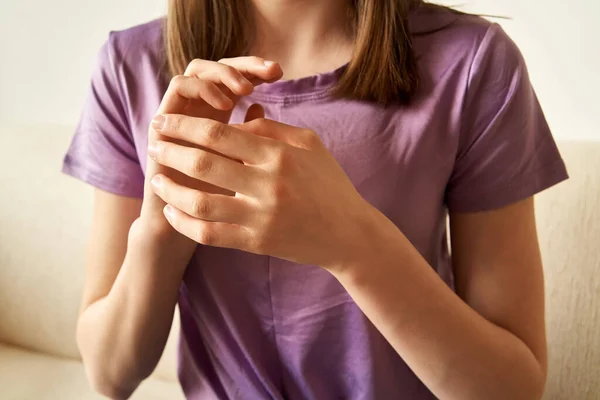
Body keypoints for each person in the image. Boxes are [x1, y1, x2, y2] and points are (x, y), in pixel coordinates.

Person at [62, 0, 568, 399]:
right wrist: (164, 225)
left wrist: (353, 244)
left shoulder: (473, 63)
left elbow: (512, 388)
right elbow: (109, 374)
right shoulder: (129, 66)